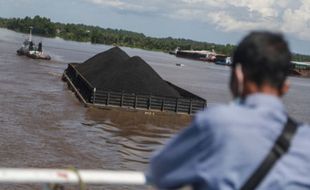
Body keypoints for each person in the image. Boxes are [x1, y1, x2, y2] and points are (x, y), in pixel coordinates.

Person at [147, 31, 310, 190]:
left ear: (238, 75)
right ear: (285, 86)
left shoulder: (216, 123)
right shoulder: (305, 140)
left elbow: (160, 172)